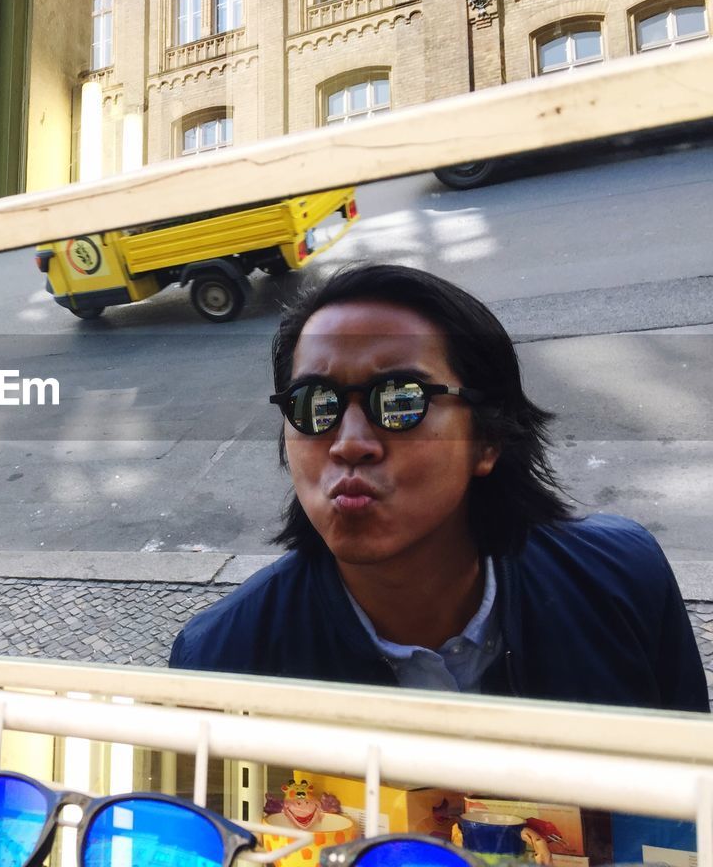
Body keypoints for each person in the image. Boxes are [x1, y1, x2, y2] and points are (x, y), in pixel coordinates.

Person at [169, 264, 708, 713]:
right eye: (315, 404)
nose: (349, 443)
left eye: (400, 399)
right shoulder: (223, 661)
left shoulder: (622, 578)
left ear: (488, 439)